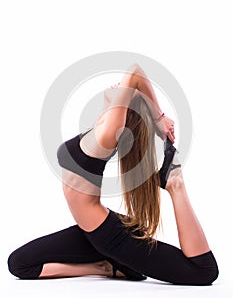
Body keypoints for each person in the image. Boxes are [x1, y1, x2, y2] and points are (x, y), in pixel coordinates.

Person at [8, 64, 219, 285]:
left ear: (124, 110)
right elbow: (133, 84)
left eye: (124, 92)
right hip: (94, 230)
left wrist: (159, 119)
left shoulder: (109, 132)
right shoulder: (101, 123)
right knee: (19, 262)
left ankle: (175, 185)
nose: (118, 86)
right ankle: (106, 267)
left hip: (110, 237)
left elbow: (136, 71)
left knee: (203, 272)